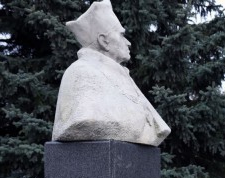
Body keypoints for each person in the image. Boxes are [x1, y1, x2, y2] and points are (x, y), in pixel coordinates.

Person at [52, 0, 170, 146]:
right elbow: (84, 120)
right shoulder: (81, 72)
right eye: (121, 35)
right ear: (103, 41)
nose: (128, 42)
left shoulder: (122, 75)